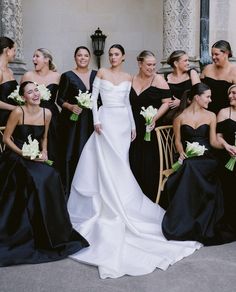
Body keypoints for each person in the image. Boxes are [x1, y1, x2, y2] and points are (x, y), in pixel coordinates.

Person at [67, 44, 201, 279]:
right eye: (110, 55)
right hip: (106, 120)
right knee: (104, 161)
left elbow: (129, 104)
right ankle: (104, 200)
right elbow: (95, 98)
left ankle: (122, 195)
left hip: (122, 123)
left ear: (124, 57)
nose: (113, 57)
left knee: (121, 162)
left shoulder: (128, 76)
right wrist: (96, 121)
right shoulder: (101, 73)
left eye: (117, 54)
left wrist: (131, 126)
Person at [0, 81, 89, 267]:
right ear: (23, 96)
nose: (35, 94)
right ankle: (29, 228)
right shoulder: (18, 112)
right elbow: (7, 138)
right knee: (36, 178)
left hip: (35, 156)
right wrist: (23, 153)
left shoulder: (47, 113)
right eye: (30, 92)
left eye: (36, 91)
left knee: (52, 175)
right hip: (16, 156)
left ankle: (53, 229)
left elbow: (44, 137)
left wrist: (45, 152)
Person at [161, 83, 228, 245]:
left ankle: (201, 217)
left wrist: (226, 145)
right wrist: (181, 152)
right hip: (189, 156)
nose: (210, 100)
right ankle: (185, 219)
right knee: (189, 165)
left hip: (207, 157)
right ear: (197, 98)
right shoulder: (180, 117)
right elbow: (177, 141)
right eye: (208, 97)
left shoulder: (211, 115)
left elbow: (213, 141)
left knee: (192, 167)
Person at [129, 50, 171, 202]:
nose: (152, 68)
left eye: (154, 64)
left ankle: (148, 197)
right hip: (132, 127)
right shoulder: (131, 79)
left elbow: (167, 102)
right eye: (149, 64)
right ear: (140, 64)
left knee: (148, 162)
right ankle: (132, 196)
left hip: (150, 127)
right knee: (132, 159)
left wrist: (154, 118)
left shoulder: (158, 80)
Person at [57, 46, 97, 197]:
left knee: (91, 152)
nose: (82, 58)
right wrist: (70, 106)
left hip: (92, 120)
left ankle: (90, 188)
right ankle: (70, 189)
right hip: (73, 122)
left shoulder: (96, 75)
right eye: (79, 55)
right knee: (73, 152)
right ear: (75, 58)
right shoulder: (67, 76)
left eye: (86, 55)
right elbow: (59, 99)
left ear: (89, 58)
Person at [21, 48, 60, 166]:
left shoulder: (57, 76)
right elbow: (20, 97)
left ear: (46, 59)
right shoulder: (28, 75)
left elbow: (62, 98)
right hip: (32, 115)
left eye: (37, 56)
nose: (33, 59)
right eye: (33, 56)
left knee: (53, 145)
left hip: (52, 116)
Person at [216, 84, 236, 238]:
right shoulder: (223, 112)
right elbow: (218, 136)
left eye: (234, 93)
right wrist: (226, 145)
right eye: (229, 94)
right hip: (228, 156)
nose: (231, 96)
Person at [163, 50, 200, 124]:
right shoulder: (166, 77)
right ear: (176, 63)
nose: (188, 63)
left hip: (189, 114)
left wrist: (181, 102)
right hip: (171, 116)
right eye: (185, 61)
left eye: (188, 60)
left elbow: (199, 95)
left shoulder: (192, 73)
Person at [201, 40, 236, 114]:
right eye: (212, 54)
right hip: (206, 111)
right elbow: (198, 90)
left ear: (226, 53)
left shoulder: (234, 71)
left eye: (216, 54)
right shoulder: (207, 69)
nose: (213, 57)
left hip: (226, 114)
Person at [0, 36, 18, 126]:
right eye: (14, 50)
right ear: (7, 50)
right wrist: (14, 108)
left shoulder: (10, 71)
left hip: (13, 116)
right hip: (2, 118)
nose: (15, 53)